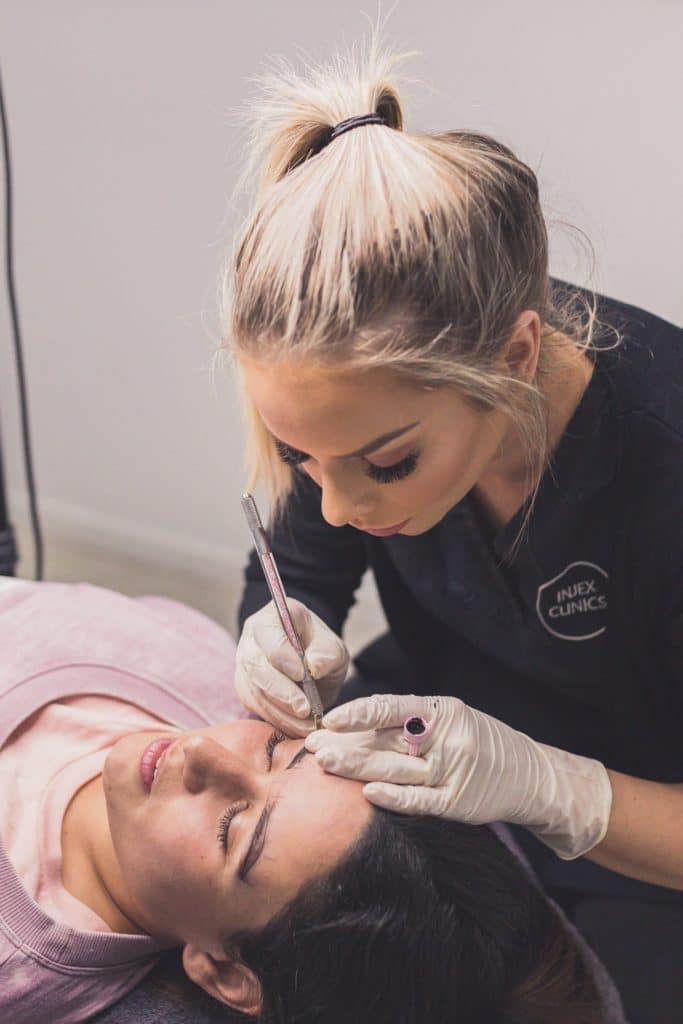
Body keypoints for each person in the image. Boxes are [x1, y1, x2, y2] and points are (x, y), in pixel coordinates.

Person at [230, 37, 683, 1021]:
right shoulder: (351, 411)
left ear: (515, 357)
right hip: (446, 753)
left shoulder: (662, 466)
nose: (339, 502)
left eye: (386, 465)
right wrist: (278, 621)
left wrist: (556, 791)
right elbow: (299, 565)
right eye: (297, 455)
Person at [0, 578, 625, 1024]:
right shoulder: (199, 664)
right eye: (276, 749)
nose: (201, 753)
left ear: (224, 972)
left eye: (232, 828)